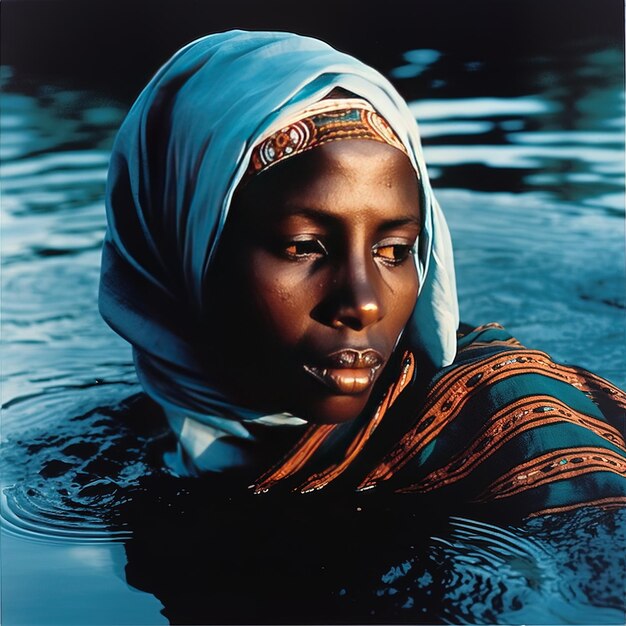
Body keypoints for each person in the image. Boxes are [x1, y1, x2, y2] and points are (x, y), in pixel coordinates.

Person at [99, 30, 626, 520]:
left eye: (395, 250)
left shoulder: (510, 426)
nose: (363, 303)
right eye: (304, 247)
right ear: (180, 243)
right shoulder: (131, 435)